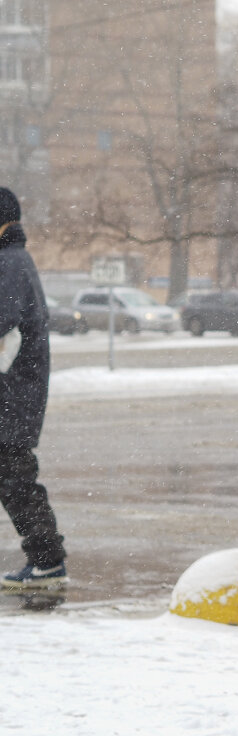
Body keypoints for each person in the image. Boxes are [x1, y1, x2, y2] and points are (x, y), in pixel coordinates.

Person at [0, 187, 68, 588]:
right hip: (15, 394)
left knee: (16, 479)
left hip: (10, 395)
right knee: (15, 479)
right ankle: (46, 559)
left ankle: (47, 561)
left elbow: (3, 317)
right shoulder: (12, 260)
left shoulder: (11, 262)